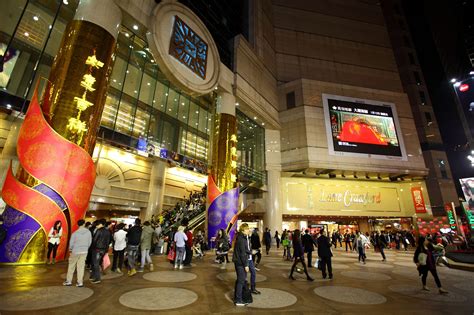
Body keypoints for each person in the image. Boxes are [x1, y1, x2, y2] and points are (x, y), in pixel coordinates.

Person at [63, 219, 92, 287]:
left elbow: (71, 244)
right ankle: (80, 282)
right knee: (81, 267)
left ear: (77, 225)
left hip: (75, 251)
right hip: (84, 251)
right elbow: (90, 242)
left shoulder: (75, 233)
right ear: (84, 224)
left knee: (71, 266)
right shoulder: (88, 232)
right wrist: (86, 248)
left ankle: (69, 281)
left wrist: (70, 250)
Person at [233, 223, 252, 306]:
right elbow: (242, 254)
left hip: (238, 262)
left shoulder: (240, 237)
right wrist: (246, 265)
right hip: (240, 263)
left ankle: (238, 298)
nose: (249, 230)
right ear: (243, 230)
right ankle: (238, 300)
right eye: (247, 229)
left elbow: (243, 250)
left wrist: (251, 252)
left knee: (240, 280)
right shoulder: (242, 239)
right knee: (241, 281)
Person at [90, 219, 110, 284]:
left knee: (95, 264)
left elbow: (94, 240)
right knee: (97, 263)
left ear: (101, 224)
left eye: (97, 225)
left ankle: (97, 278)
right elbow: (108, 242)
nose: (96, 226)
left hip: (97, 249)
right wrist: (106, 250)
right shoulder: (107, 231)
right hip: (103, 250)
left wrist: (91, 248)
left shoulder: (99, 230)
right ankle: (93, 276)